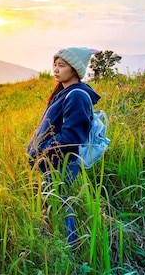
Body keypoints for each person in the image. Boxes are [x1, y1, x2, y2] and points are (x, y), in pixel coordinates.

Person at [27, 47, 101, 247]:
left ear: (74, 70)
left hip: (61, 163)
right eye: (55, 64)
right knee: (55, 204)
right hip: (54, 162)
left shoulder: (76, 95)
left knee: (60, 204)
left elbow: (71, 136)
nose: (56, 69)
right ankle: (58, 244)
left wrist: (42, 153)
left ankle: (69, 250)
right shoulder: (64, 92)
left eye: (62, 65)